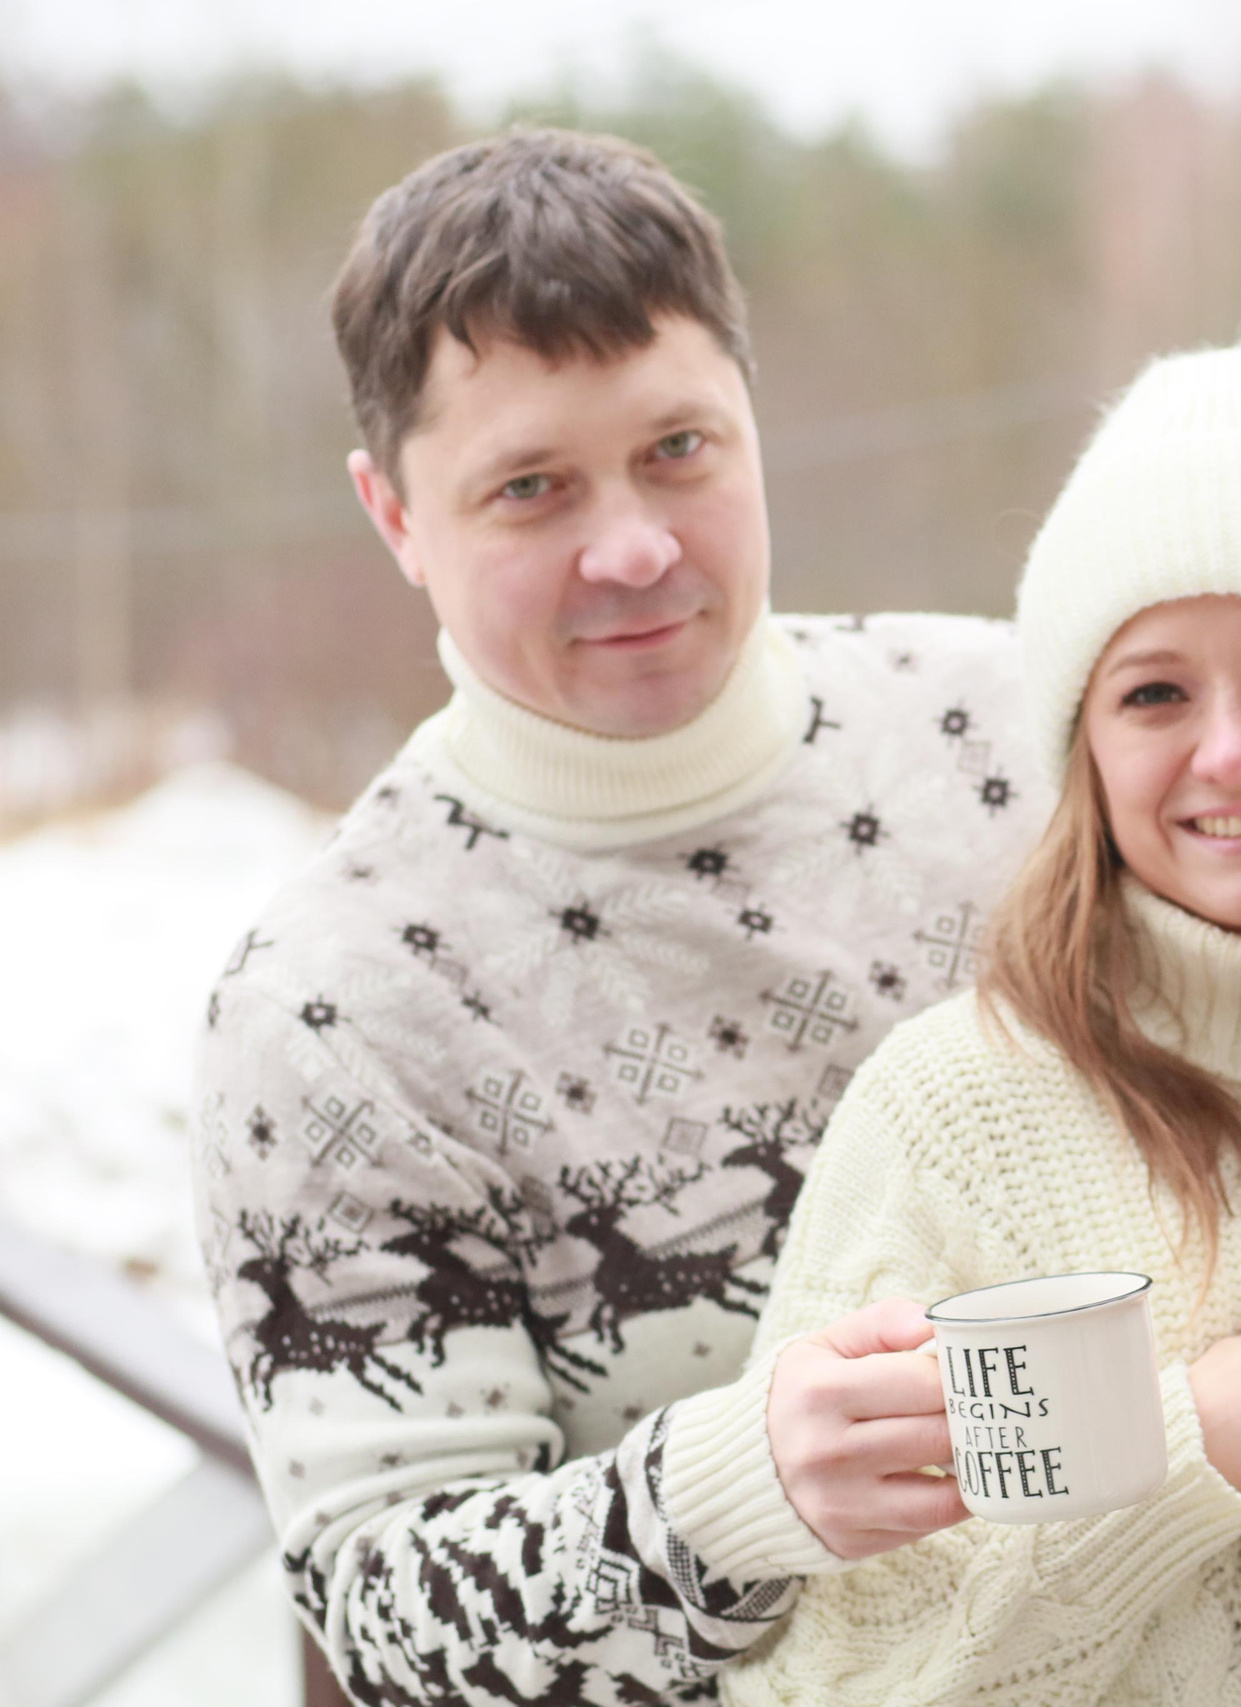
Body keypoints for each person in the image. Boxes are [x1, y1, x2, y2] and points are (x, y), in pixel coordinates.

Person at [192, 128, 1045, 1707]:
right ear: (395, 515)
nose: (635, 545)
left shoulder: (1031, 735)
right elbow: (386, 1611)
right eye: (531, 487)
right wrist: (729, 1498)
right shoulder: (332, 1010)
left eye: (679, 450)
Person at [723, 342, 1241, 1707]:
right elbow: (828, 1669)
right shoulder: (947, 1112)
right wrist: (1198, 1446)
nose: (1232, 749)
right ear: (1084, 748)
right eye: (1156, 691)